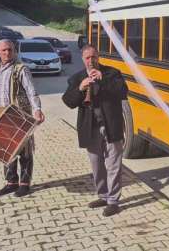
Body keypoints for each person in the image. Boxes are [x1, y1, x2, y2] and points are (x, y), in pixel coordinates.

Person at [62, 44, 128, 217]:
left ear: (99, 57)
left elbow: (123, 92)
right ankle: (103, 195)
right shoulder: (77, 78)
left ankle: (113, 201)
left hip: (111, 127)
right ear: (83, 59)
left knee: (113, 165)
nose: (91, 61)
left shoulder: (112, 73)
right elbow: (68, 102)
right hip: (90, 129)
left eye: (94, 57)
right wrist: (80, 88)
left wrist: (103, 81)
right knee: (97, 166)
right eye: (87, 58)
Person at [0, 39, 45, 197]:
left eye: (10, 50)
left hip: (20, 115)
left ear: (14, 51)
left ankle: (24, 184)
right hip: (2, 115)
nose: (7, 53)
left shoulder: (21, 69)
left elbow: (31, 91)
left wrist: (37, 109)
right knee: (6, 149)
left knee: (24, 151)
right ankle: (11, 182)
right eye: (4, 50)